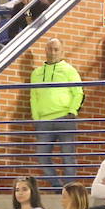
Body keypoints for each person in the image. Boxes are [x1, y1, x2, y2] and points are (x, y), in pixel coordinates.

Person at [28, 37, 85, 177]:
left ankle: (69, 191)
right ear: (45, 50)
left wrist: (72, 112)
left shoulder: (69, 70)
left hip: (65, 118)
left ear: (62, 52)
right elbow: (33, 98)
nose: (53, 52)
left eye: (56, 49)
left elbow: (79, 93)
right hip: (44, 122)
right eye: (50, 49)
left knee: (67, 158)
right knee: (42, 158)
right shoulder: (36, 73)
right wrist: (36, 119)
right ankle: (58, 188)